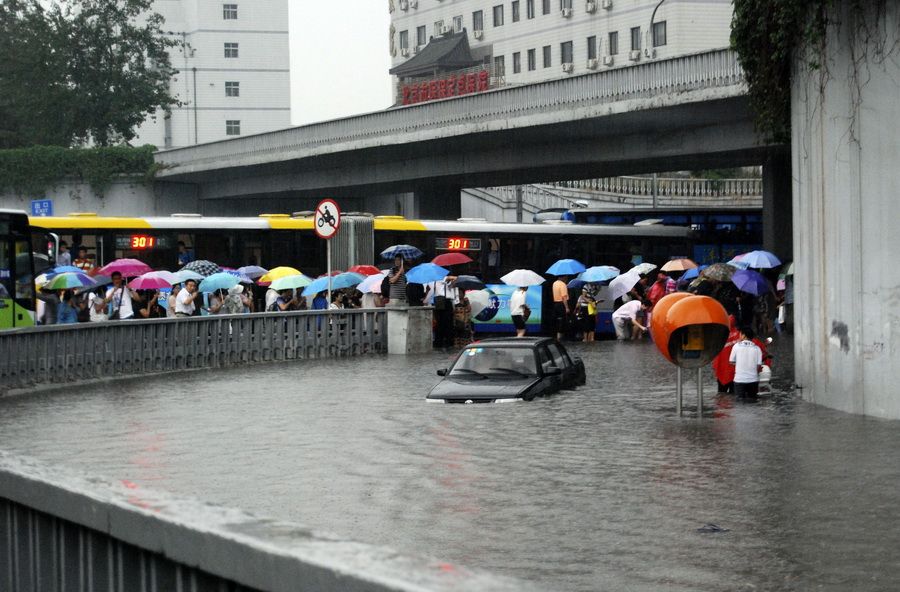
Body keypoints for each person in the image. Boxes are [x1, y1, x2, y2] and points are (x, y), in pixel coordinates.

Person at [729, 326, 764, 399]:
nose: (739, 335)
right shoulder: (757, 349)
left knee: (740, 404)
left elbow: (731, 361)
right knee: (753, 403)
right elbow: (758, 366)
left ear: (744, 335)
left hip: (739, 380)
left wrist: (740, 364)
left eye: (740, 334)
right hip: (753, 380)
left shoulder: (736, 346)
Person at [551, 275, 569, 340]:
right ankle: (560, 337)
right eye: (566, 277)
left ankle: (557, 336)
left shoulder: (554, 283)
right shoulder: (563, 284)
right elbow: (564, 297)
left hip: (556, 304)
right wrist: (567, 307)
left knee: (557, 320)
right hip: (561, 304)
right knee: (562, 321)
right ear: (563, 277)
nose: (567, 279)